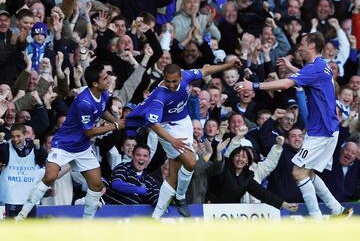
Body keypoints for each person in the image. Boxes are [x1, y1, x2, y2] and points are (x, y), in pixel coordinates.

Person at [235, 32, 352, 219]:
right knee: (309, 172)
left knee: (298, 172)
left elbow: (288, 83)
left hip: (322, 131)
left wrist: (254, 86)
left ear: (312, 46)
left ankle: (316, 218)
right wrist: (290, 66)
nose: (299, 48)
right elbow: (304, 76)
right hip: (326, 129)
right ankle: (337, 210)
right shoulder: (322, 66)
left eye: (303, 44)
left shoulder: (314, 68)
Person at [126, 60, 241, 218]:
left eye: (174, 81)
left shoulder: (187, 76)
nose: (171, 85)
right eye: (167, 81)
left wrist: (228, 65)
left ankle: (157, 215)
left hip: (184, 122)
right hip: (166, 128)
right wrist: (172, 140)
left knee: (174, 172)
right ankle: (180, 196)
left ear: (181, 77)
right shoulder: (160, 95)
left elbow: (206, 70)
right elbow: (154, 124)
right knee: (191, 161)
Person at [15, 63, 124, 221]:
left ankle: (87, 225)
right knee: (50, 177)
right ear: (95, 83)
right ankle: (22, 214)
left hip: (83, 148)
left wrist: (115, 120)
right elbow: (89, 132)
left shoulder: (104, 94)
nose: (108, 80)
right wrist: (114, 125)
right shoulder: (84, 102)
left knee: (96, 185)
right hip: (64, 145)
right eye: (105, 78)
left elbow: (101, 111)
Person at [0, 123, 47, 218]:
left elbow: (42, 161)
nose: (15, 139)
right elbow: (2, 157)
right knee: (12, 227)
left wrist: (38, 148)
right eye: (13, 136)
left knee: (29, 228)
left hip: (29, 197)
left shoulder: (33, 146)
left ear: (25, 135)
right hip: (12, 197)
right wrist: (1, 143)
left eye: (18, 136)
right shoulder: (7, 146)